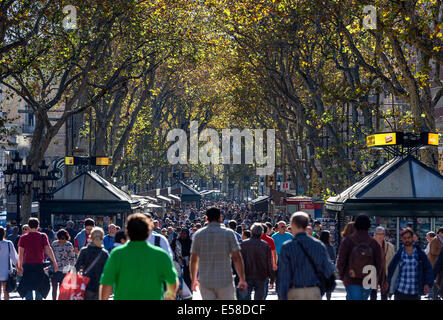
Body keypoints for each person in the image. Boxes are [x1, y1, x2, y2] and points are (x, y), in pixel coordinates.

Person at [99, 213, 178, 300]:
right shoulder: (160, 255)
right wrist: (169, 295)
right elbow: (172, 280)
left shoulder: (117, 254)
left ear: (127, 232)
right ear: (148, 231)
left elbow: (106, 283)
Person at [190, 207, 247, 300]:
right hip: (225, 279)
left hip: (206, 280)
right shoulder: (229, 233)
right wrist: (242, 278)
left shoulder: (198, 235)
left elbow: (193, 260)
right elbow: (237, 258)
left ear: (206, 219)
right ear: (220, 218)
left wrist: (194, 279)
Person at [277, 212, 335, 300]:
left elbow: (284, 274)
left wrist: (282, 295)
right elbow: (328, 269)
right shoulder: (318, 245)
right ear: (307, 225)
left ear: (293, 224)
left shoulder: (288, 247)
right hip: (314, 290)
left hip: (294, 291)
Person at [336, 214, 383, 300]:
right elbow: (379, 264)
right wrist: (375, 279)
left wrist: (343, 277)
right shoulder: (374, 243)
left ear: (356, 225)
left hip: (351, 279)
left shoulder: (348, 241)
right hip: (367, 280)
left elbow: (341, 262)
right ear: (369, 226)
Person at [17, 218, 57, 300]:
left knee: (28, 287)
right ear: (38, 226)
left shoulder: (23, 237)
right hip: (39, 265)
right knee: (39, 286)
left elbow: (20, 254)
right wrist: (54, 262)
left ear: (28, 226)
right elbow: (48, 250)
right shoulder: (43, 236)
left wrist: (19, 266)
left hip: (27, 265)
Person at [388, 228, 434, 300]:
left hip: (415, 291)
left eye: (409, 237)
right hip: (400, 290)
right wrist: (390, 290)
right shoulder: (399, 254)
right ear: (402, 239)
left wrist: (427, 283)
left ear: (412, 238)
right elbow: (392, 271)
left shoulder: (420, 253)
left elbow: (427, 268)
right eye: (405, 238)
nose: (407, 240)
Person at [240, 223, 274, 300]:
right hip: (261, 276)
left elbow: (240, 260)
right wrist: (272, 278)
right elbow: (269, 262)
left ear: (251, 232)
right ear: (262, 233)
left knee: (246, 297)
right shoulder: (265, 245)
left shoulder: (243, 244)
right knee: (259, 298)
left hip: (247, 274)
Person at [75, 227, 109, 300]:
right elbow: (108, 271)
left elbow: (76, 267)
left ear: (90, 237)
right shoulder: (104, 253)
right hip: (100, 285)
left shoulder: (84, 251)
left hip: (86, 285)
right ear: (102, 238)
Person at [370, 226, 395, 300]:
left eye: (382, 234)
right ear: (375, 235)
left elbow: (392, 260)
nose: (380, 236)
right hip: (372, 272)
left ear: (384, 235)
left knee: (384, 294)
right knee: (373, 294)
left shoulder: (390, 246)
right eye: (378, 234)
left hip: (385, 272)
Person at [50, 229, 75, 300]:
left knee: (62, 289)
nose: (62, 240)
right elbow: (51, 255)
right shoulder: (54, 244)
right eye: (60, 238)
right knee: (54, 288)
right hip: (55, 269)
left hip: (65, 270)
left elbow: (72, 257)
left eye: (63, 238)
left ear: (66, 238)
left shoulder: (69, 245)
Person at [0, 226, 18, 300]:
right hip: (6, 272)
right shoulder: (8, 243)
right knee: (6, 291)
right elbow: (15, 258)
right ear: (4, 233)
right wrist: (18, 268)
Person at [319, 230, 336, 300]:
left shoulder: (317, 246)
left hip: (318, 270)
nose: (330, 237)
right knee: (328, 288)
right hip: (328, 270)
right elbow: (333, 258)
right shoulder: (330, 247)